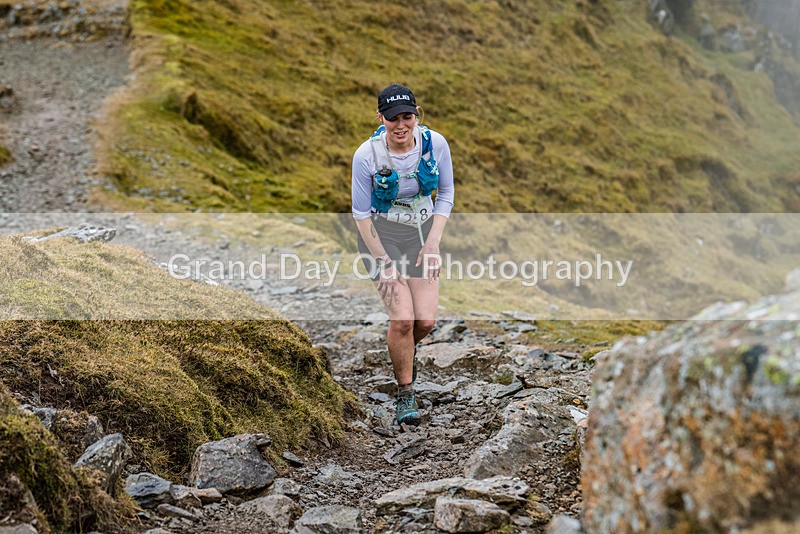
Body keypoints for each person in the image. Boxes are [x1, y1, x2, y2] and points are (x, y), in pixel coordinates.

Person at [351, 83, 454, 425]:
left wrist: (434, 243)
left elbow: (447, 193)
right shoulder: (366, 155)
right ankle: (405, 393)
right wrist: (384, 261)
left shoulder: (434, 144)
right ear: (381, 118)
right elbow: (361, 215)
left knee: (424, 321)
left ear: (416, 115)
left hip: (423, 235)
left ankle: (402, 351)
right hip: (380, 237)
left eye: (407, 117)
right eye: (392, 118)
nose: (400, 125)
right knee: (403, 320)